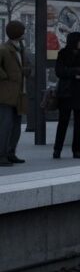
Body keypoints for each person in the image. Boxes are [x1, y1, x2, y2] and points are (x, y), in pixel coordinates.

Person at [53, 32, 80, 159]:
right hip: (66, 93)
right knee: (63, 121)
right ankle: (57, 149)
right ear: (75, 41)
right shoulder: (62, 53)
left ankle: (77, 150)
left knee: (79, 123)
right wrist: (74, 72)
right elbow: (59, 71)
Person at [0, 21, 30, 166]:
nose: (24, 33)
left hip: (19, 93)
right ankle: (2, 155)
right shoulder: (4, 49)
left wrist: (26, 71)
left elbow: (25, 66)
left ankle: (11, 153)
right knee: (5, 126)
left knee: (16, 126)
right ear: (17, 32)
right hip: (7, 94)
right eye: (23, 30)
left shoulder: (21, 48)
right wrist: (7, 76)